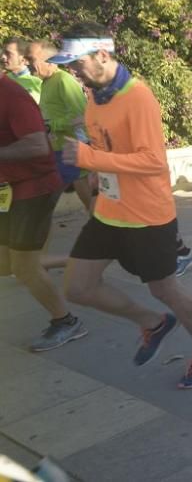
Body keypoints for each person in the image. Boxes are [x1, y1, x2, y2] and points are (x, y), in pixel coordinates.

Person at [51, 23, 192, 389]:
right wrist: (96, 171)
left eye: (77, 62)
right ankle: (152, 322)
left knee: (166, 290)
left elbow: (152, 162)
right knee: (78, 288)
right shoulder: (95, 98)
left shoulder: (138, 97)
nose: (73, 71)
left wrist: (91, 159)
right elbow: (108, 150)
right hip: (109, 213)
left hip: (147, 216)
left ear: (102, 55)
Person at [0, 75, 87, 352]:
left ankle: (66, 321)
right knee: (5, 264)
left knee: (24, 266)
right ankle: (81, 260)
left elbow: (38, 145)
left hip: (33, 190)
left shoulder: (11, 95)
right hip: (7, 191)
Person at [25, 40, 92, 211]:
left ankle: (102, 230)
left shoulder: (64, 80)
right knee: (44, 207)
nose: (28, 64)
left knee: (89, 204)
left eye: (31, 59)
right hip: (56, 150)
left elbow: (82, 115)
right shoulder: (45, 83)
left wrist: (51, 126)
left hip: (71, 149)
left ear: (49, 60)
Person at [2, 37, 43, 102]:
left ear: (24, 59)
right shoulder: (3, 80)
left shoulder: (38, 83)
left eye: (8, 53)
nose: (3, 57)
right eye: (3, 52)